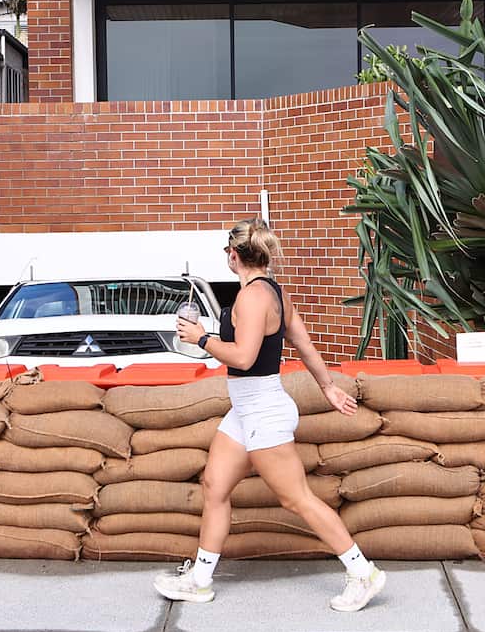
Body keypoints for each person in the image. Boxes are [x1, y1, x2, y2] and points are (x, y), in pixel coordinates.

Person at [152, 218, 387, 612]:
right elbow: (304, 344)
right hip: (246, 410)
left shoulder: (251, 298)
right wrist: (328, 387)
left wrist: (202, 339)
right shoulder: (275, 293)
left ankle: (363, 573)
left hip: (263, 410)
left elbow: (243, 357)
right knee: (215, 485)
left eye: (226, 252)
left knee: (297, 499)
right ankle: (200, 580)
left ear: (233, 255)